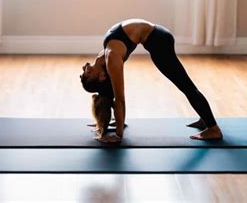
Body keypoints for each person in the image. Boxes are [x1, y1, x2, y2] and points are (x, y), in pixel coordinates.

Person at [80, 19, 222, 143]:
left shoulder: (105, 57)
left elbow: (112, 94)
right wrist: (118, 133)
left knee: (185, 86)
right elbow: (119, 98)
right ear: (101, 77)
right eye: (87, 74)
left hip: (159, 38)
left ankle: (213, 129)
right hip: (158, 42)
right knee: (186, 86)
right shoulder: (110, 59)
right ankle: (208, 122)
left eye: (84, 74)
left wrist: (118, 130)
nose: (85, 70)